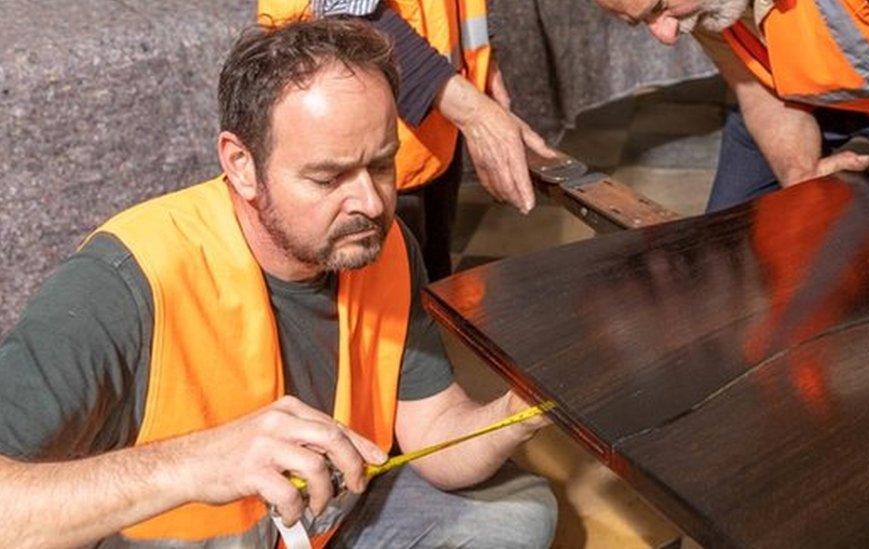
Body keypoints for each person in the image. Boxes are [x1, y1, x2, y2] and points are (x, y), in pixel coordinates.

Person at [0, 18, 555, 547]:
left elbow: (434, 428)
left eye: (381, 165)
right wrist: (195, 463)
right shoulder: (122, 285)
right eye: (328, 176)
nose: (369, 202)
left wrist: (513, 415)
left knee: (519, 510)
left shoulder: (379, 249)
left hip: (312, 527)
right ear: (241, 164)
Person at [260, 0, 555, 281]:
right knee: (379, 311)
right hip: (362, 157)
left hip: (433, 130)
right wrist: (475, 113)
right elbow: (347, 16)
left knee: (429, 293)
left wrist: (485, 58)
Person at [593, 0, 869, 211]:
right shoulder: (705, 9)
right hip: (802, 95)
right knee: (726, 238)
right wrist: (800, 171)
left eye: (660, 5)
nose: (665, 34)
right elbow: (756, 89)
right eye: (643, 21)